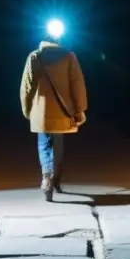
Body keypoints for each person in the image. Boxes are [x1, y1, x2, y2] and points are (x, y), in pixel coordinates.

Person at [20, 20, 87, 201]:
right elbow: (77, 84)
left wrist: (27, 110)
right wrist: (80, 109)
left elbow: (27, 87)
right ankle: (56, 177)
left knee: (44, 144)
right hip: (63, 113)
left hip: (42, 112)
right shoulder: (69, 57)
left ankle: (47, 177)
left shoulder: (35, 57)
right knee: (58, 145)